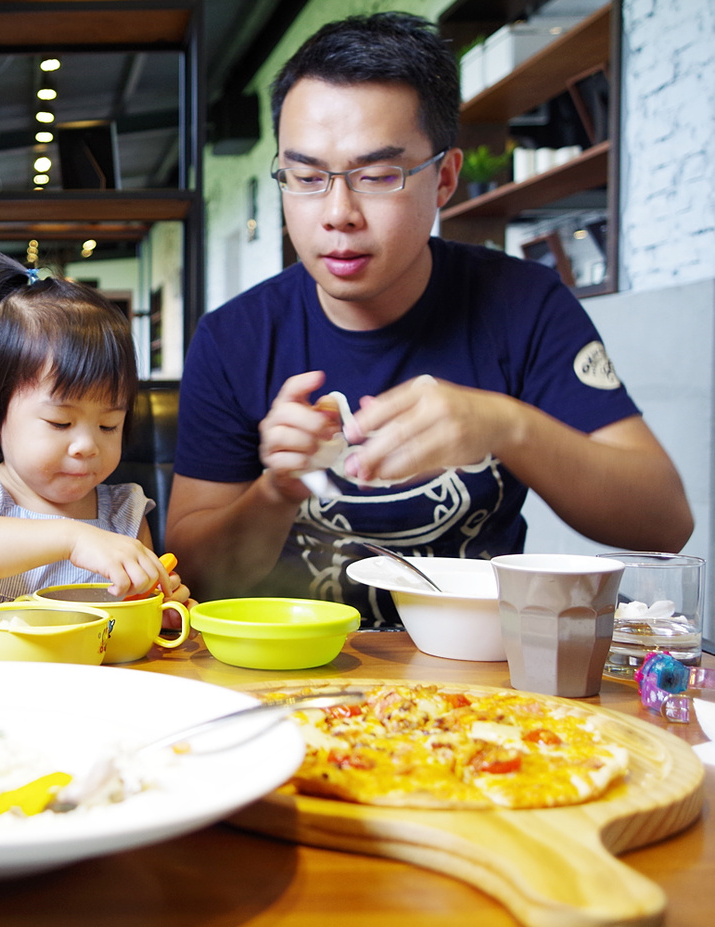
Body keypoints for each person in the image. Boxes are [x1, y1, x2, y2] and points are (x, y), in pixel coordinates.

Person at [167, 13, 691, 626]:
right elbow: (194, 578)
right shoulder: (236, 337)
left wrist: (507, 426)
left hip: (481, 673)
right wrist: (277, 490)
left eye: (377, 176)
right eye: (307, 178)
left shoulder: (522, 303)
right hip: (297, 672)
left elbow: (663, 522)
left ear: (443, 178)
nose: (337, 213)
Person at [0, 252, 191, 634]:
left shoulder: (124, 513)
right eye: (60, 422)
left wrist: (157, 610)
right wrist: (72, 538)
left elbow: (134, 610)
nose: (86, 445)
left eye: (109, 425)